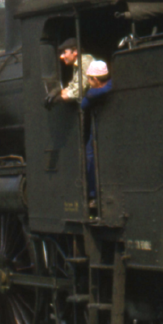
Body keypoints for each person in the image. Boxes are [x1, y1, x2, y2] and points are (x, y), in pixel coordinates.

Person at [81, 60, 113, 206]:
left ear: (95, 79)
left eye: (89, 78)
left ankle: (93, 195)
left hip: (102, 130)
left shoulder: (94, 93)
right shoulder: (110, 84)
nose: (87, 81)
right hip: (99, 130)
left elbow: (84, 104)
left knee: (91, 157)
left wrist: (89, 94)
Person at [46, 38, 94, 105]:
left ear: (75, 51)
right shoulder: (77, 64)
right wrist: (57, 92)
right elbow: (73, 86)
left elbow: (80, 90)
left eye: (64, 52)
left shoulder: (84, 62)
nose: (61, 57)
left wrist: (59, 99)